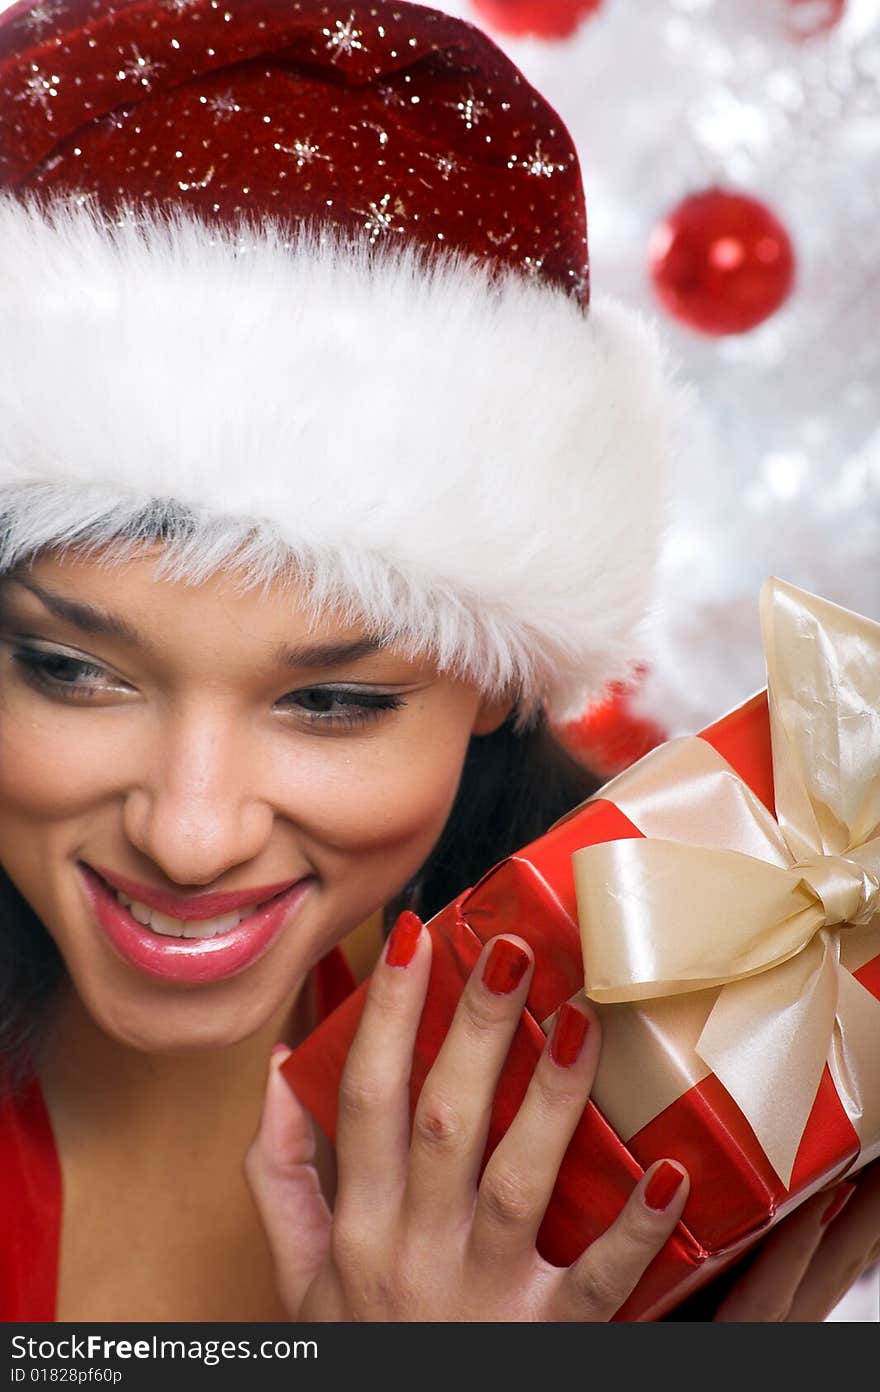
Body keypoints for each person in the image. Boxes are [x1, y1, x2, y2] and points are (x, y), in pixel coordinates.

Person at [0, 0, 876, 1323]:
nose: (189, 837)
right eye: (73, 671)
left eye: (334, 702)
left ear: (500, 687)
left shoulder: (677, 1116)